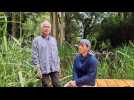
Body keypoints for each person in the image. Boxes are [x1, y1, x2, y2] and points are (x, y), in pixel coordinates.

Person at [32, 20, 61, 87]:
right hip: (43, 68)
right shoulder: (36, 40)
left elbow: (57, 54)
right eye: (45, 26)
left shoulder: (53, 40)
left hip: (54, 67)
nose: (46, 28)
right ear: (41, 28)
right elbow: (34, 55)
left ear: (50, 29)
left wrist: (58, 65)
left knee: (57, 84)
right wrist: (37, 68)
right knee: (46, 85)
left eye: (48, 27)